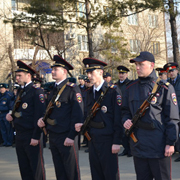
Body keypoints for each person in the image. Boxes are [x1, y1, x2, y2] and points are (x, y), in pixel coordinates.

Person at [122, 51, 180, 180]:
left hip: (158, 146)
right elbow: (125, 110)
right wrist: (125, 120)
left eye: (141, 64)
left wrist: (170, 143)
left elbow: (172, 118)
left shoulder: (164, 87)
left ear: (152, 65)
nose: (137, 67)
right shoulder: (130, 87)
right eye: (136, 64)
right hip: (138, 144)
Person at [75, 58, 123, 180]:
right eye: (88, 73)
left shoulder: (112, 91)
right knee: (96, 174)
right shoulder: (89, 92)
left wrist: (117, 141)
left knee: (110, 174)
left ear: (100, 72)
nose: (89, 76)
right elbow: (87, 114)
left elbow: (118, 118)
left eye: (92, 73)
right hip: (93, 138)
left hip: (108, 140)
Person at [37, 55, 83, 180]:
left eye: (55, 69)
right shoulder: (53, 89)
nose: (52, 71)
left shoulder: (72, 89)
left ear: (64, 71)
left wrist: (71, 136)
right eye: (52, 69)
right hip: (54, 135)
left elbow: (78, 115)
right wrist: (43, 120)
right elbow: (49, 110)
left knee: (71, 171)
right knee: (59, 170)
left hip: (66, 136)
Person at [6, 60, 46, 180]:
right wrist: (11, 114)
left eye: (19, 76)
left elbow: (39, 115)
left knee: (36, 168)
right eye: (17, 75)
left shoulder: (36, 91)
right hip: (20, 134)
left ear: (28, 75)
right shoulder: (21, 91)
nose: (17, 78)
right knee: (24, 167)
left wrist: (36, 136)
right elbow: (18, 109)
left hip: (31, 135)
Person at [164, 62, 180, 162]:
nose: (171, 73)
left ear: (177, 71)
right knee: (174, 132)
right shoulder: (167, 84)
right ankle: (175, 149)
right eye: (169, 71)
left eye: (173, 70)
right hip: (172, 113)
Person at [115, 65, 132, 157]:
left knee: (128, 131)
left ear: (126, 74)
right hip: (118, 110)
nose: (121, 75)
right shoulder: (116, 85)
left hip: (126, 109)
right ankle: (126, 148)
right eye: (120, 73)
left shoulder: (129, 84)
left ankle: (130, 149)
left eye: (123, 73)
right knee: (121, 131)